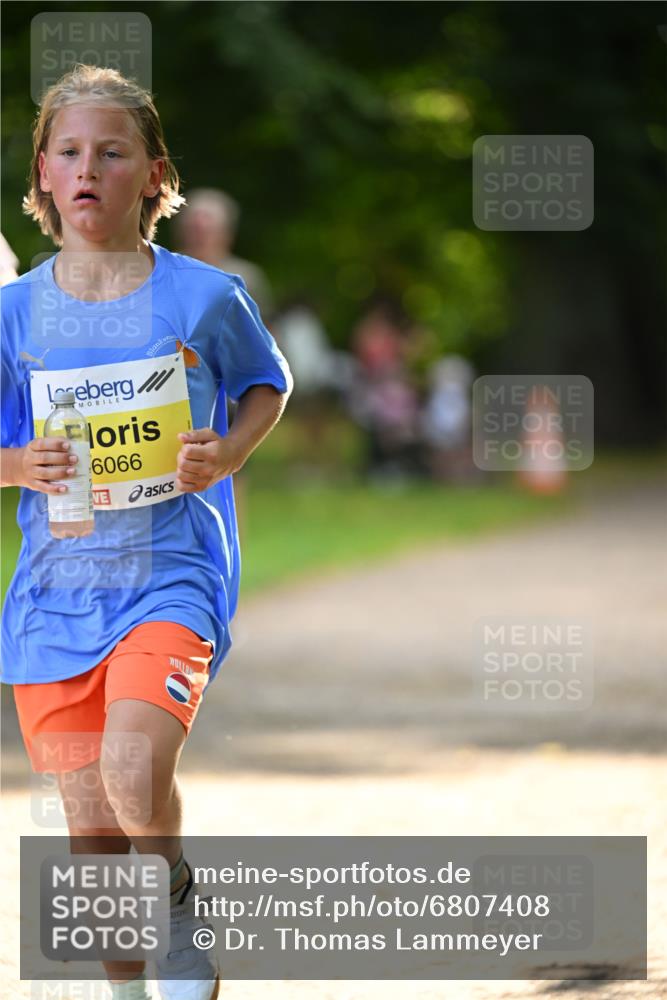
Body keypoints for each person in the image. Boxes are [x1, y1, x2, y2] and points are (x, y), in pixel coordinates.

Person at [0, 64, 292, 1000]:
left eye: (112, 152)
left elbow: (267, 385)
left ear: (154, 175)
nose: (88, 168)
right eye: (69, 152)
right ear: (44, 174)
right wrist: (19, 465)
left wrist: (227, 453)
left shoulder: (204, 296)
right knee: (90, 829)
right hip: (55, 597)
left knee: (132, 770)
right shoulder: (13, 313)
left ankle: (177, 919)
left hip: (171, 576)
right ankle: (128, 990)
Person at [173, 187, 275, 319]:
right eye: (193, 229)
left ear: (227, 234)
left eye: (208, 231)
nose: (199, 238)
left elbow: (265, 326)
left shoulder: (246, 278)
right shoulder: (160, 272)